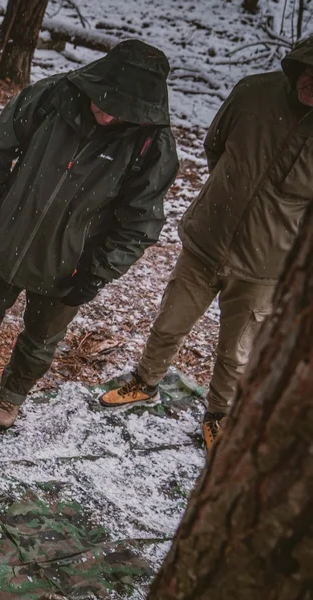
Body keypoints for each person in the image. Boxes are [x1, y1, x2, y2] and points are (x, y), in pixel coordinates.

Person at [0, 40, 179, 430]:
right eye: (102, 104)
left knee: (41, 337)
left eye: (117, 112)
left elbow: (140, 223)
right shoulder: (55, 95)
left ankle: (11, 397)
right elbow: (0, 143)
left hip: (70, 260)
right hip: (13, 232)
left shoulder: (150, 144)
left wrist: (98, 272)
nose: (106, 117)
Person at [99, 37, 313, 450]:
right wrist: (229, 196)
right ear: (299, 65)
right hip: (206, 239)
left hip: (266, 265)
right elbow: (215, 145)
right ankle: (145, 382)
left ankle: (218, 415)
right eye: (310, 74)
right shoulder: (254, 91)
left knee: (237, 351)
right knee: (170, 321)